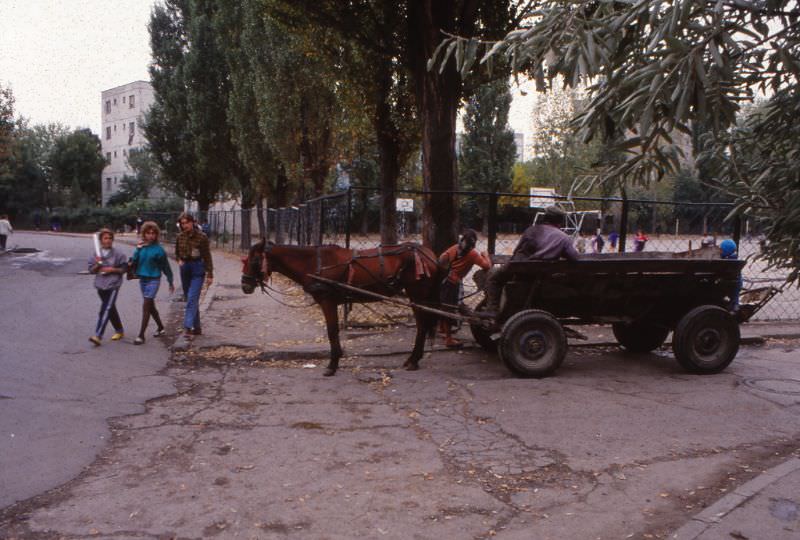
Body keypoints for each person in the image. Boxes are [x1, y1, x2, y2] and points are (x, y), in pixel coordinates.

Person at [483, 206, 580, 313]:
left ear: (545, 218)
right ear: (560, 222)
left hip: (519, 272)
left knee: (493, 277)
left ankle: (492, 310)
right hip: (541, 276)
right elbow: (574, 257)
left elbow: (517, 252)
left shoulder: (531, 230)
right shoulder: (564, 238)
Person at [438, 229, 492, 348]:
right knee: (451, 309)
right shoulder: (472, 254)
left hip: (446, 281)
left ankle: (442, 329)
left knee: (445, 306)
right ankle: (448, 339)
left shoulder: (454, 248)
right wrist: (486, 255)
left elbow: (442, 258)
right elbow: (487, 266)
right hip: (455, 283)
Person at [131, 222, 175, 345]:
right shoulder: (141, 247)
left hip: (154, 280)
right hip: (143, 280)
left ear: (156, 235)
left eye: (153, 233)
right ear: (144, 234)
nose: (151, 235)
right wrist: (137, 250)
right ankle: (161, 328)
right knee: (150, 307)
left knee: (146, 306)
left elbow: (166, 267)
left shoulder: (159, 250)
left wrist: (170, 281)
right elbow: (134, 262)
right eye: (148, 233)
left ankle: (141, 336)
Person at [175, 212, 213, 337]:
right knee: (190, 298)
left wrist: (210, 274)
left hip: (197, 267)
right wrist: (179, 260)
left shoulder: (202, 237)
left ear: (193, 222)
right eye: (182, 223)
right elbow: (176, 252)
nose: (184, 226)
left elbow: (207, 256)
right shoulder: (180, 236)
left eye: (187, 223)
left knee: (192, 297)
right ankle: (197, 327)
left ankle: (187, 326)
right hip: (185, 267)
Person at [88, 229, 128, 346]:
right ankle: (119, 330)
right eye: (105, 238)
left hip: (113, 285)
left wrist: (112, 269)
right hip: (101, 285)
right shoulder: (96, 254)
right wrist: (98, 264)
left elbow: (124, 269)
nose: (108, 240)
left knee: (105, 309)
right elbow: (91, 270)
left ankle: (98, 335)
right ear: (101, 241)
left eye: (110, 238)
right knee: (110, 308)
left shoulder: (119, 254)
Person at [720, 239, 742, 310]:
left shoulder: (727, 260)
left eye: (721, 249)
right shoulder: (733, 258)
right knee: (735, 294)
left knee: (734, 293)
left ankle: (734, 305)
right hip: (735, 282)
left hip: (729, 283)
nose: (720, 251)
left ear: (725, 251)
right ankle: (735, 304)